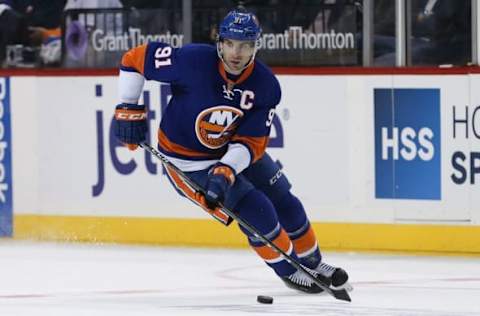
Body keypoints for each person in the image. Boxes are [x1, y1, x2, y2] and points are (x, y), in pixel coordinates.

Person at [113, 9, 351, 294]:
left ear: (256, 47)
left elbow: (252, 143)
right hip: (187, 163)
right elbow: (134, 59)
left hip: (233, 151)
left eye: (246, 45)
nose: (237, 53)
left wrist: (225, 170)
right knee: (257, 211)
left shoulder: (265, 86)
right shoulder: (192, 61)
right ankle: (291, 271)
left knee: (284, 200)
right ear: (220, 43)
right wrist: (128, 106)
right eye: (231, 44)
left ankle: (312, 263)